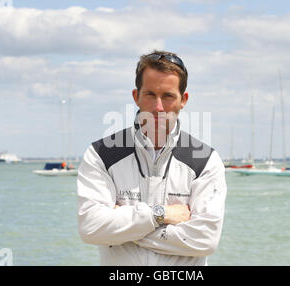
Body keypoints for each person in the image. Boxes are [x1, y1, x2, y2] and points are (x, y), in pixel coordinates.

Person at [77, 50, 227, 266]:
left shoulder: (205, 160)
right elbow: (91, 229)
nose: (158, 107)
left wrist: (123, 230)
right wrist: (160, 215)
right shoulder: (101, 154)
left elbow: (205, 240)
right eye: (149, 94)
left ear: (183, 100)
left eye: (167, 96)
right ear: (135, 96)